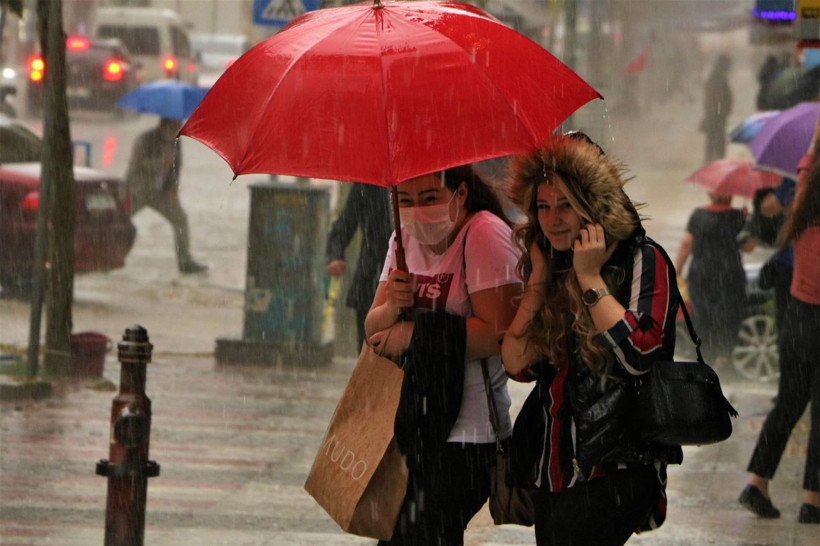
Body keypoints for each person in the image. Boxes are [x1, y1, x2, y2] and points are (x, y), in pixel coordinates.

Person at [501, 133, 682, 545]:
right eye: (543, 207)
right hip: (553, 469)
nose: (553, 218)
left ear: (593, 204)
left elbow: (640, 353)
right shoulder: (547, 266)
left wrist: (590, 278)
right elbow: (515, 363)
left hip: (616, 468)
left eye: (566, 204)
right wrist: (539, 282)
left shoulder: (643, 260)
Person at [364, 165, 522, 545]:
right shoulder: (403, 239)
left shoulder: (482, 233)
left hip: (467, 433)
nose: (417, 210)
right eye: (405, 200)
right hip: (411, 424)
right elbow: (374, 332)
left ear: (460, 194)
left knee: (426, 532)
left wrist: (415, 333)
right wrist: (392, 309)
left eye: (429, 197)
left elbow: (500, 333)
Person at [739, 113, 820, 525]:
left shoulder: (804, 204)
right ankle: (813, 501)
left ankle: (757, 482)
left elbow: (807, 166)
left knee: (788, 403)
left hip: (798, 319)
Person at [674, 192, 755, 364]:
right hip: (730, 275)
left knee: (703, 316)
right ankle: (724, 358)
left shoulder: (699, 215)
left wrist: (677, 270)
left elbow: (686, 243)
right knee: (728, 316)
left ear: (710, 194)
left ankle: (706, 357)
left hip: (702, 275)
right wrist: (747, 224)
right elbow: (749, 247)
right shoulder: (738, 216)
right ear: (731, 194)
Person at [126, 117, 207, 274]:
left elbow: (176, 168)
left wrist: (173, 190)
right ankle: (103, 256)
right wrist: (159, 162)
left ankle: (185, 261)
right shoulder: (145, 139)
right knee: (119, 220)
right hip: (137, 190)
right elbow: (135, 165)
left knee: (180, 219)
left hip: (160, 192)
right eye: (176, 125)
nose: (179, 128)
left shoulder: (177, 141)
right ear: (165, 125)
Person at [325, 184, 392, 349]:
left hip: (413, 283)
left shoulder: (422, 179)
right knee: (368, 355)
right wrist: (336, 255)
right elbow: (345, 224)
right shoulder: (368, 185)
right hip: (370, 281)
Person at [700, 54, 733, 163]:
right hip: (716, 114)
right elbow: (717, 97)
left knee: (713, 140)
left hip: (716, 114)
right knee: (717, 141)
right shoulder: (717, 78)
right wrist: (721, 110)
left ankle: (712, 162)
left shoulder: (716, 77)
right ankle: (716, 162)